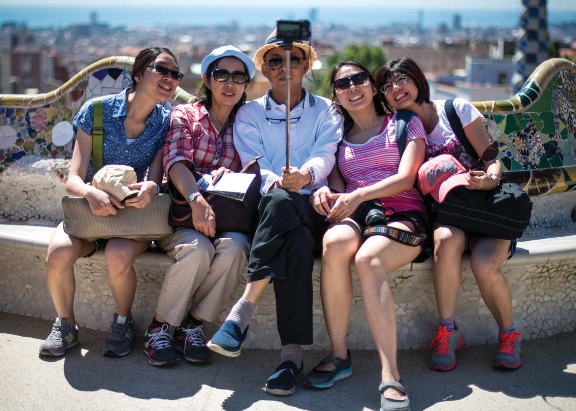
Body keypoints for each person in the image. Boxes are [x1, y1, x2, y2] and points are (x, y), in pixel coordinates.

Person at [207, 30, 343, 395]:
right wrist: (281, 183)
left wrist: (307, 176)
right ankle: (291, 357)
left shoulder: (327, 110)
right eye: (275, 61)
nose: (285, 67)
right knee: (292, 234)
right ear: (264, 68)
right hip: (273, 208)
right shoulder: (248, 114)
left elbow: (326, 153)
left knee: (291, 212)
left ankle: (242, 313)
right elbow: (257, 167)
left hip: (314, 204)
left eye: (294, 59)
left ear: (306, 65)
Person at [375, 57, 521, 371]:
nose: (396, 88)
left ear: (417, 79)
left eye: (401, 79)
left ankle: (509, 334)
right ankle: (448, 331)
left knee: (485, 263)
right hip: (447, 216)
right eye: (386, 87)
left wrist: (490, 179)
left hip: (485, 209)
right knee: (444, 240)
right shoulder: (399, 130)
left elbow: (491, 157)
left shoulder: (455, 110)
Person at [39, 46, 181, 357]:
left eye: (175, 74)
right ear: (138, 74)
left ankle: (122, 321)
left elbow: (155, 178)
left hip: (132, 219)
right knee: (57, 253)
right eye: (162, 70)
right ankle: (66, 326)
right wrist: (91, 193)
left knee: (118, 255)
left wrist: (150, 189)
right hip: (91, 213)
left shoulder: (167, 121)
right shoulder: (96, 111)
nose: (169, 78)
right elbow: (73, 177)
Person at [303, 60, 427, 411]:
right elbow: (339, 189)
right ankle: (339, 355)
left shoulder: (403, 124)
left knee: (368, 258)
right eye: (343, 84)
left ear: (374, 87)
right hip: (360, 216)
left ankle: (390, 376)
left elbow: (406, 179)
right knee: (333, 243)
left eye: (359, 80)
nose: (352, 87)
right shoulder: (339, 141)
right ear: (336, 97)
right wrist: (324, 192)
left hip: (403, 213)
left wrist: (358, 194)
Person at [141, 46, 255, 367]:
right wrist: (197, 199)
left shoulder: (246, 125)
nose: (229, 84)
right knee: (198, 249)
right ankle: (160, 327)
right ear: (207, 79)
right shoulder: (186, 114)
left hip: (225, 221)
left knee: (237, 248)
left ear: (246, 84)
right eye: (222, 75)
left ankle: (192, 325)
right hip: (179, 218)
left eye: (238, 77)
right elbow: (175, 162)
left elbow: (257, 168)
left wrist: (231, 174)